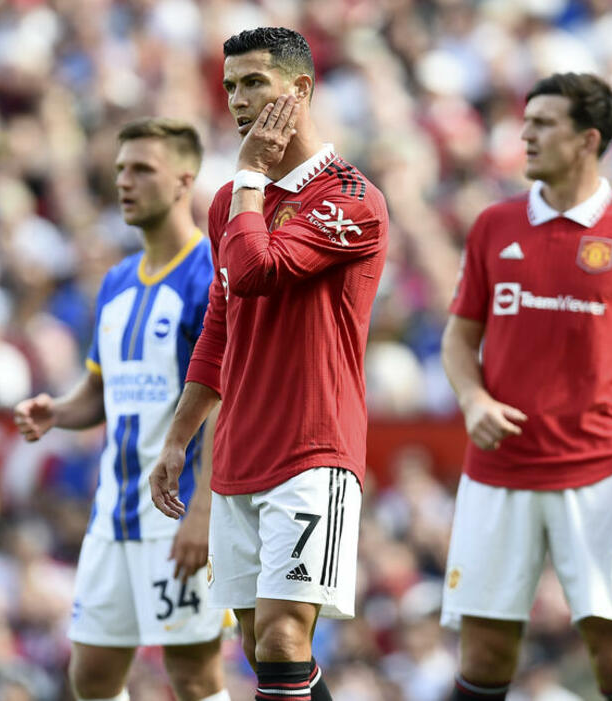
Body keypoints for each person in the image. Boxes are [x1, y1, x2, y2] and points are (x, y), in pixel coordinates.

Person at [149, 27, 389, 701]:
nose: (238, 100)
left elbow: (257, 271)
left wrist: (251, 174)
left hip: (313, 449)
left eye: (255, 82)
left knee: (285, 639)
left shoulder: (352, 198)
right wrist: (179, 438)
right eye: (230, 86)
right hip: (238, 449)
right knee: (266, 652)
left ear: (300, 88)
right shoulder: (230, 202)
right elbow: (221, 326)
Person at [440, 72, 612, 701]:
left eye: (543, 123)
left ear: (588, 139)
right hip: (498, 472)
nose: (525, 135)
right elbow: (458, 339)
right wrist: (473, 399)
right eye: (524, 121)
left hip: (599, 472)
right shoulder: (494, 224)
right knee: (485, 653)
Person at [13, 118, 229, 701]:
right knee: (92, 674)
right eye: (119, 170)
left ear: (184, 179)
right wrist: (59, 411)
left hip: (178, 508)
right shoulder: (114, 282)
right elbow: (101, 392)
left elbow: (224, 399)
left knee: (193, 674)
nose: (124, 182)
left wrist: (204, 511)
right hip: (112, 514)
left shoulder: (210, 275)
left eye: (142, 170)